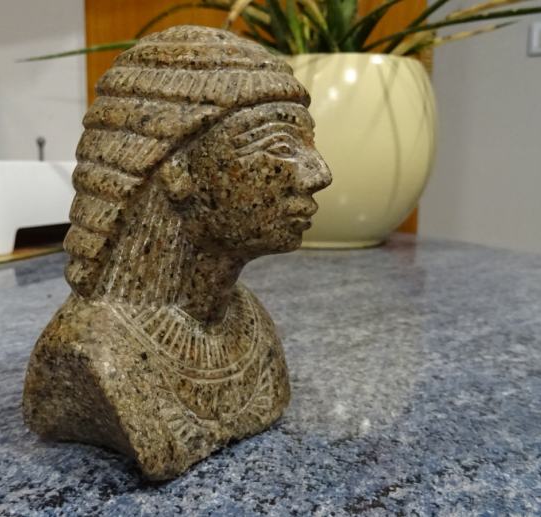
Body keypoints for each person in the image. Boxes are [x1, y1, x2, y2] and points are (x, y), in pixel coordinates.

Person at [23, 25, 331, 480]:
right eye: (280, 147)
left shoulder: (252, 324)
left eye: (308, 145)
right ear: (177, 171)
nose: (319, 173)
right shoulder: (88, 351)